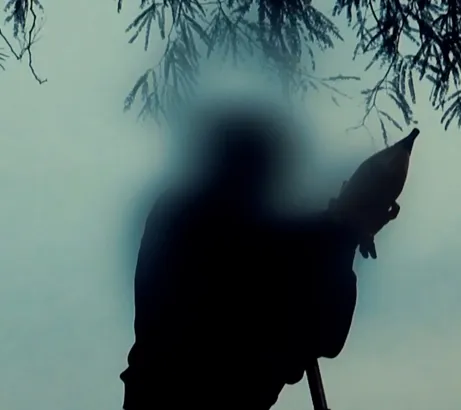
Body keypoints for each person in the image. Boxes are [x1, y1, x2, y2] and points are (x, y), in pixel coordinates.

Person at [119, 108, 398, 409]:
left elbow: (327, 337)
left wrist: (342, 235)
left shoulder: (250, 237)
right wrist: (342, 230)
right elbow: (258, 246)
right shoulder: (190, 214)